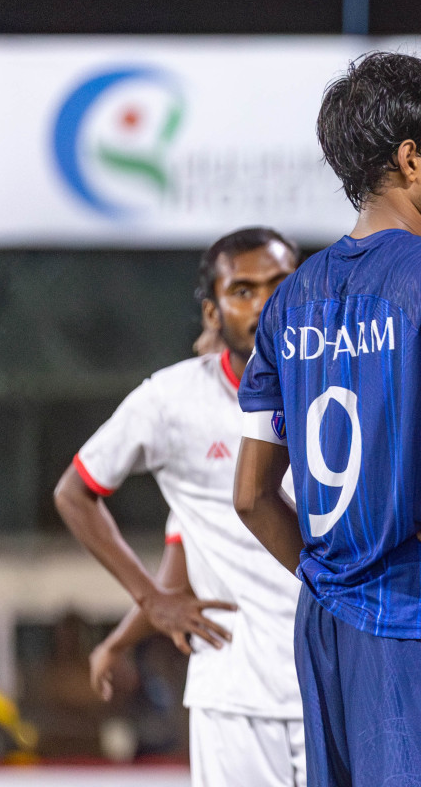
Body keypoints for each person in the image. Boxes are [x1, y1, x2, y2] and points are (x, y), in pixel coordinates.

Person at [233, 52, 421, 787]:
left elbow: (251, 496)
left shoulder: (291, 299)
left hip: (325, 626)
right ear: (412, 159)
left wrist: (332, 582)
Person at [54, 226, 304, 787]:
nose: (264, 303)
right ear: (213, 313)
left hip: (337, 681)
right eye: (243, 290)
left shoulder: (346, 385)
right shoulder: (171, 402)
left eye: (280, 284)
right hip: (235, 695)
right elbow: (74, 493)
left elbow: (179, 565)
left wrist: (124, 636)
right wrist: (149, 604)